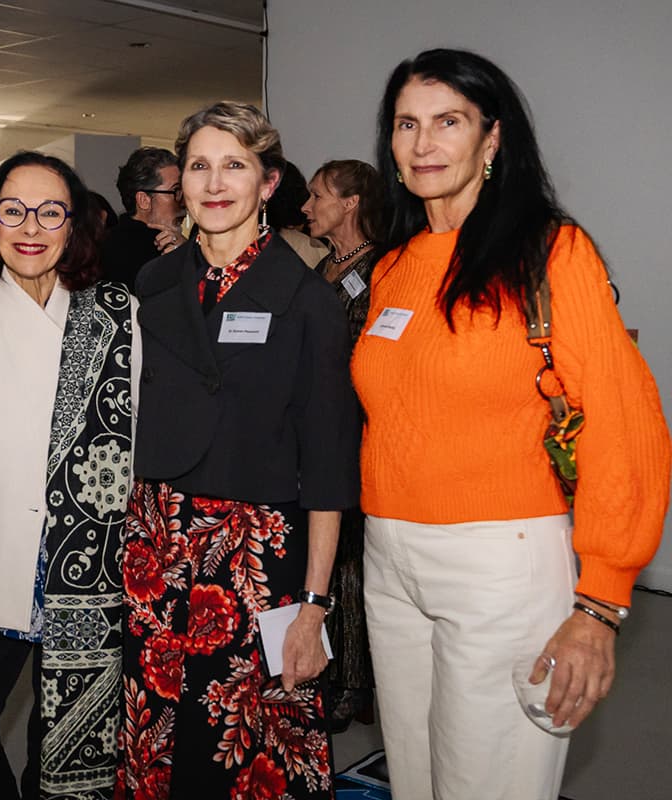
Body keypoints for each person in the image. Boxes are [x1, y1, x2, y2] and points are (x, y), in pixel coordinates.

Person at [351, 48, 670, 800]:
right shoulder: (396, 264)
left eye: (448, 122)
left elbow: (624, 425)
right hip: (390, 562)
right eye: (406, 124)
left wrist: (599, 605)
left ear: (492, 139)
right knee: (419, 783)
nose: (423, 143)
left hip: (500, 562)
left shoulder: (550, 251)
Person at [118, 101, 360, 798]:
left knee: (245, 749)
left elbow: (326, 466)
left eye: (234, 166)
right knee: (161, 741)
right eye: (199, 166)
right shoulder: (156, 284)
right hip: (157, 546)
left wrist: (313, 608)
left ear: (268, 182)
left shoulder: (305, 300)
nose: (214, 183)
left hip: (255, 558)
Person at [0, 151, 137, 800]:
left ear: (73, 227)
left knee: (66, 746)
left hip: (89, 573)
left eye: (51, 211)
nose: (31, 226)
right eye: (13, 209)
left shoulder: (115, 320)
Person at [301, 158, 385, 730]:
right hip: (315, 425)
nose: (306, 207)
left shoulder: (382, 268)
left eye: (316, 196)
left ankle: (355, 682)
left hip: (358, 428)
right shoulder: (325, 267)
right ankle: (331, 669)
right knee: (327, 554)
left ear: (350, 203)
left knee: (351, 557)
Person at [101, 146, 186, 291]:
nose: (183, 202)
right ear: (144, 200)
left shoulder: (103, 244)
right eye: (176, 191)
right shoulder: (159, 255)